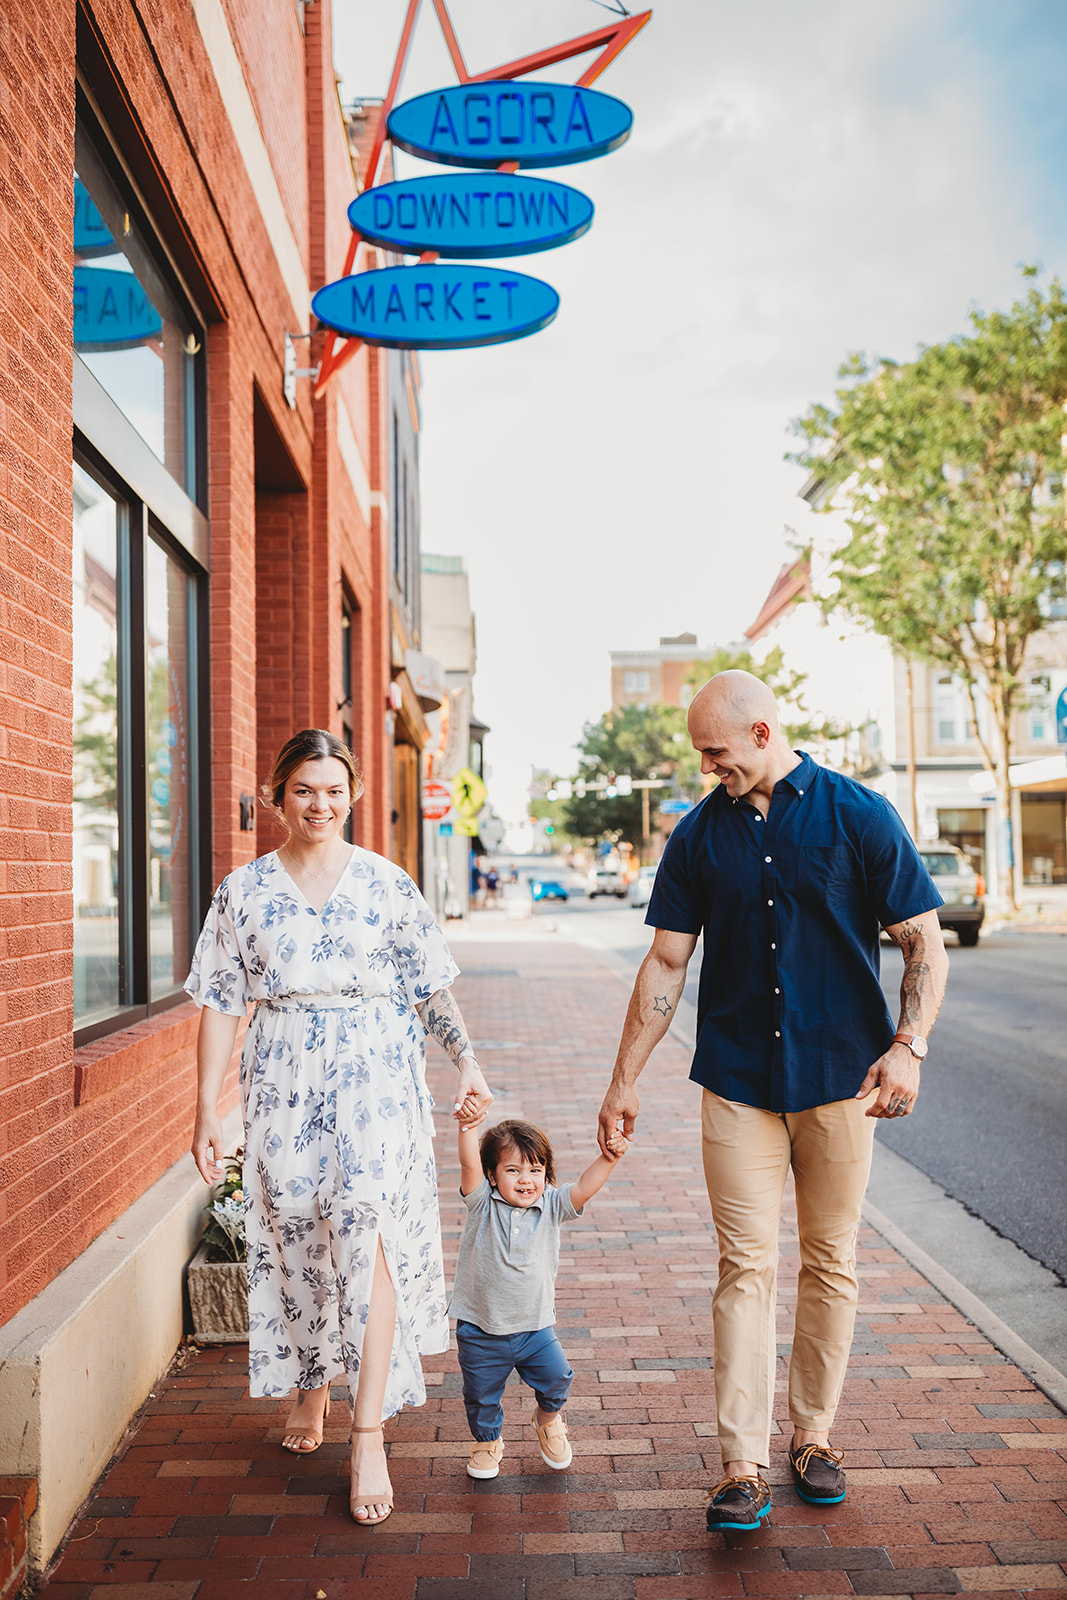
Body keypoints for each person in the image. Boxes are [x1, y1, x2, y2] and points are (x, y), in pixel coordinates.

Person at [597, 671, 949, 1533]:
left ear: (760, 731)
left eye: (714, 752)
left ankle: (814, 1438)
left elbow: (922, 946)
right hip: (739, 1081)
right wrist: (623, 1080)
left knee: (830, 1260)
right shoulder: (695, 836)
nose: (705, 766)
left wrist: (907, 1048)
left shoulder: (855, 813)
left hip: (842, 1080)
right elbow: (667, 966)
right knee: (743, 1266)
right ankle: (742, 1464)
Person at [188, 729, 492, 1526]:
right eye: (303, 791)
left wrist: (468, 1064)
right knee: (296, 1235)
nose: (319, 804)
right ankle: (311, 1386)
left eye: (333, 790)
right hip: (281, 1081)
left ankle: (366, 1434)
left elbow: (431, 990)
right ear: (275, 796)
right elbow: (222, 1004)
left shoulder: (388, 885)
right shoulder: (241, 892)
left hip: (376, 1083)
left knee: (366, 1231)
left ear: (351, 795)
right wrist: (204, 1111)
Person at [451, 1117, 628, 1480]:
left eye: (535, 1169)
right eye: (513, 1170)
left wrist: (609, 1158)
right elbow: (468, 1162)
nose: (525, 1180)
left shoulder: (551, 1205)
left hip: (535, 1328)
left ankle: (547, 1420)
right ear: (491, 1174)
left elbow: (582, 1187)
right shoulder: (482, 1204)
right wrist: (467, 1127)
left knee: (558, 1377)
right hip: (482, 1330)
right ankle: (487, 1442)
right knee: (481, 1396)